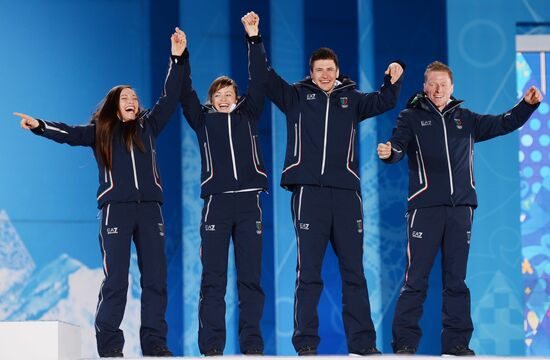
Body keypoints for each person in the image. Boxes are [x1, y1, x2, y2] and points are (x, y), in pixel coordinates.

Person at [13, 28, 187, 358]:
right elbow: (68, 133)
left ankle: (155, 345)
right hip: (116, 211)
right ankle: (110, 349)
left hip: (150, 210)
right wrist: (39, 125)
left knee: (156, 281)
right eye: (126, 98)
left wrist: (177, 58)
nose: (133, 102)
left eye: (135, 98)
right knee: (116, 282)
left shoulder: (149, 127)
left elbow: (170, 96)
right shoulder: (101, 132)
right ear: (114, 106)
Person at [254, 25, 405, 355]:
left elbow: (385, 100)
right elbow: (263, 77)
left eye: (329, 70)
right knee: (308, 274)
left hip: (347, 195)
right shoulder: (295, 96)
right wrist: (254, 38)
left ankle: (363, 345)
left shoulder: (351, 99)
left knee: (354, 272)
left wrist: (393, 77)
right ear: (311, 73)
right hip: (309, 194)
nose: (324, 75)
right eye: (319, 70)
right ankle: (306, 344)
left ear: (337, 72)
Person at [377, 61, 543, 356]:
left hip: (461, 210)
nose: (439, 89)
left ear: (452, 88)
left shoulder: (466, 119)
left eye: (444, 84)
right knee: (415, 280)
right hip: (424, 208)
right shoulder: (410, 117)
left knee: (456, 280)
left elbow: (503, 122)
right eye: (433, 84)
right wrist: (390, 153)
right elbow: (398, 147)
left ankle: (456, 345)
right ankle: (404, 344)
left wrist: (526, 106)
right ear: (425, 87)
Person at [179, 12, 268, 356]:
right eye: (218, 93)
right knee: (213, 280)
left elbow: (259, 79)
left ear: (237, 97)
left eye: (229, 92)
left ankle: (251, 347)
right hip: (216, 204)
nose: (224, 97)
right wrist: (181, 55)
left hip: (249, 204)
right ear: (211, 99)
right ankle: (212, 348)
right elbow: (184, 92)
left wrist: (253, 36)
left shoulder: (249, 114)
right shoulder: (202, 121)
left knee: (251, 281)